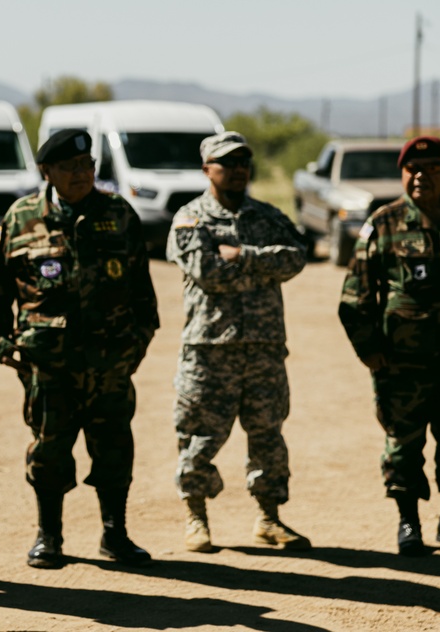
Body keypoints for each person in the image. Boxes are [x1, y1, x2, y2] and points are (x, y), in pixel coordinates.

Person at [0, 129, 159, 569]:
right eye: (70, 168)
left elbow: (142, 296)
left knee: (115, 449)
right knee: (49, 453)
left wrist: (134, 347)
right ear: (47, 171)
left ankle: (115, 535)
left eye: (87, 166)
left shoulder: (118, 214)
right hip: (48, 369)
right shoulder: (21, 218)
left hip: (110, 366)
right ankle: (49, 537)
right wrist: (6, 349)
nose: (81, 175)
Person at [338, 136, 440, 556]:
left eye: (432, 167)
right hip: (403, 364)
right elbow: (354, 297)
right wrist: (369, 349)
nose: (421, 175)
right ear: (402, 175)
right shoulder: (384, 223)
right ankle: (409, 524)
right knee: (403, 444)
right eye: (413, 168)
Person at [166, 131, 311, 553]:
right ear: (206, 169)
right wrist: (265, 264)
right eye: (227, 163)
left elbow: (297, 256)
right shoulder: (190, 218)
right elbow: (206, 272)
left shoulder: (267, 215)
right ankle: (196, 517)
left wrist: (245, 255)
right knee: (199, 436)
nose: (238, 171)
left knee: (268, 434)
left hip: (264, 348)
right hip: (210, 350)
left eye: (243, 162)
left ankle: (269, 519)